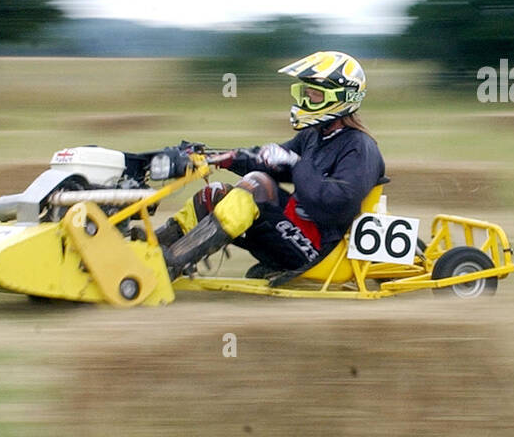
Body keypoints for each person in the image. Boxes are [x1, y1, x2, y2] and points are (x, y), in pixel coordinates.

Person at [155, 50, 386, 283]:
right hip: (293, 235)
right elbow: (268, 160)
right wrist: (217, 157)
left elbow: (338, 202)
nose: (306, 101)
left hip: (322, 251)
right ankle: (151, 248)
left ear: (341, 98)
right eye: (305, 93)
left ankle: (170, 264)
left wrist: (297, 164)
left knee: (257, 185)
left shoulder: (360, 147)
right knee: (216, 194)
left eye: (315, 95)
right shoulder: (312, 137)